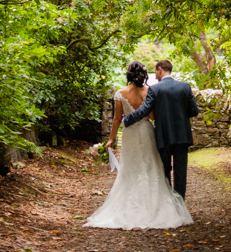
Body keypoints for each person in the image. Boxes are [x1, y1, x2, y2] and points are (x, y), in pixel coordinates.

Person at [84, 61, 193, 230]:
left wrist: (111, 139)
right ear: (144, 75)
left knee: (132, 168)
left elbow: (116, 119)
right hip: (147, 131)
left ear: (129, 74)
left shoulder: (120, 93)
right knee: (153, 167)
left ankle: (133, 205)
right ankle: (171, 206)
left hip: (130, 134)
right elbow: (151, 116)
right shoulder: (150, 91)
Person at [122, 59, 199, 200]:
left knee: (165, 170)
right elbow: (194, 111)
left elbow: (145, 110)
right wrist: (180, 115)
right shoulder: (185, 87)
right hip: (182, 135)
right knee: (181, 171)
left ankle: (168, 202)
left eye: (155, 72)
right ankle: (180, 203)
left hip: (163, 135)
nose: (155, 76)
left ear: (160, 69)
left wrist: (128, 119)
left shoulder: (155, 89)